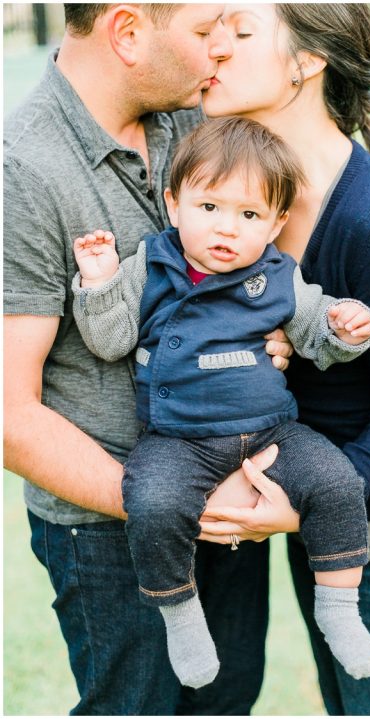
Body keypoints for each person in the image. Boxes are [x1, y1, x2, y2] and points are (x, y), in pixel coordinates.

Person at [3, 5, 292, 713]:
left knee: (227, 700)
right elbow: (10, 415)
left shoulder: (194, 120)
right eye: (204, 30)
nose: (221, 47)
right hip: (108, 528)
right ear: (128, 34)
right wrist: (175, 504)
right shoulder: (24, 171)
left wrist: (277, 328)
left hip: (229, 493)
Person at [197, 4, 370, 714]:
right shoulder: (239, 203)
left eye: (242, 34)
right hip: (312, 522)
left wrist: (309, 502)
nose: (215, 49)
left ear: (307, 62)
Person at [70, 116, 370, 689]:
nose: (226, 228)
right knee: (153, 503)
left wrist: (347, 328)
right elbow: (110, 341)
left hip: (271, 435)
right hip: (178, 438)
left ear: (277, 223)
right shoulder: (151, 266)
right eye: (209, 207)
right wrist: (100, 283)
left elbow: (315, 332)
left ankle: (339, 609)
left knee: (338, 481)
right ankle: (180, 615)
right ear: (174, 204)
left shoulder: (278, 276)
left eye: (249, 215)